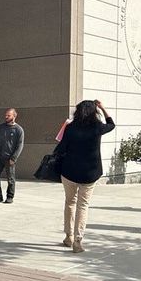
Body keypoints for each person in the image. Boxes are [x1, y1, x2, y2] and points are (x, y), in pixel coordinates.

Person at [54, 100, 115, 253]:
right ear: (94, 112)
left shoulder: (70, 127)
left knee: (70, 202)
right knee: (83, 205)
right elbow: (111, 124)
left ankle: (68, 236)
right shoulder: (97, 127)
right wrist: (102, 107)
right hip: (90, 172)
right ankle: (78, 240)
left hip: (69, 171)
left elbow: (61, 148)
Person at [0, 108, 24, 203]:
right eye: (6, 115)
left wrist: (14, 158)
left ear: (14, 116)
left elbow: (20, 145)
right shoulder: (1, 127)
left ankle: (10, 197)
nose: (6, 117)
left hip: (10, 158)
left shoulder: (19, 130)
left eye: (8, 115)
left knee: (10, 178)